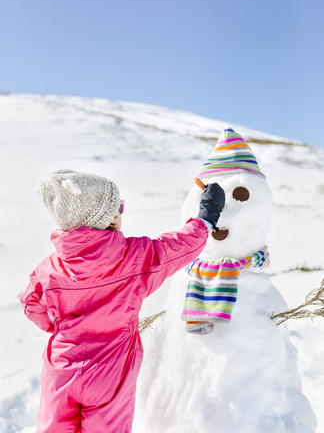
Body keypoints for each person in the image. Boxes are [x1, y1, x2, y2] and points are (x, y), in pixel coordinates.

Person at [20, 169, 225, 433]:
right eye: (119, 206)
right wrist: (206, 217)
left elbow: (31, 303)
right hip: (111, 371)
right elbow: (181, 246)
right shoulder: (135, 258)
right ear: (108, 218)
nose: (121, 211)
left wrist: (60, 328)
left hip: (61, 367)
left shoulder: (49, 268)